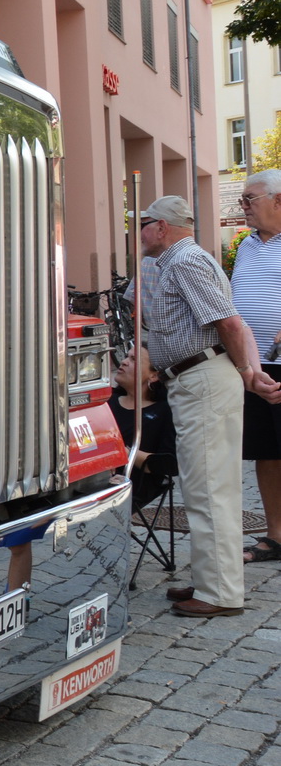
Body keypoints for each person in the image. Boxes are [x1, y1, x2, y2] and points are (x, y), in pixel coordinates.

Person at [136, 195, 281, 616]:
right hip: (193, 379)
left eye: (143, 223)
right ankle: (211, 579)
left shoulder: (184, 261)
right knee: (204, 485)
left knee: (208, 487)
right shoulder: (177, 260)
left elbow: (231, 323)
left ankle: (219, 594)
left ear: (162, 227)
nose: (138, 231)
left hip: (203, 380)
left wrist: (247, 373)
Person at [230, 168, 281, 565]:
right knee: (268, 451)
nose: (242, 206)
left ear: (278, 200)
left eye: (250, 199)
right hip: (255, 367)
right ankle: (276, 535)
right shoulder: (245, 245)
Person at [108, 345, 177, 511]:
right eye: (126, 356)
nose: (123, 362)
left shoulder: (164, 411)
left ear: (153, 375)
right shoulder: (106, 400)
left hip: (132, 485)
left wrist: (122, 453)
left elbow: (168, 464)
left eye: (133, 360)